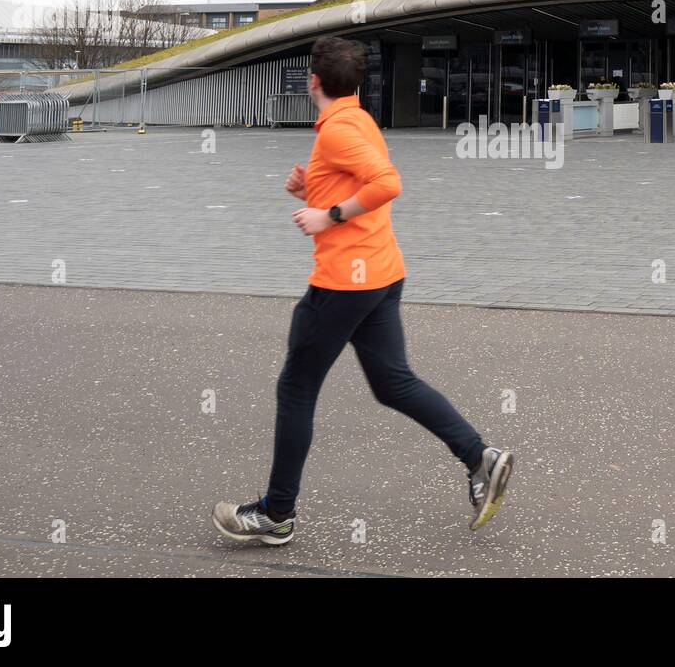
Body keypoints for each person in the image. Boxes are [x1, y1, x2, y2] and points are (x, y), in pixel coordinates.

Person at [213, 37, 513, 545]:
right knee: (392, 383)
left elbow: (386, 183)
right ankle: (479, 456)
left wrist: (325, 213)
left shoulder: (337, 132)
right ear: (356, 83)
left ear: (312, 81)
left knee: (296, 388)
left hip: (343, 283)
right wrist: (313, 190)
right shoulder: (359, 121)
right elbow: (362, 186)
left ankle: (275, 515)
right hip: (381, 274)